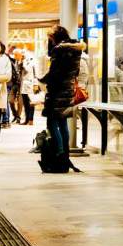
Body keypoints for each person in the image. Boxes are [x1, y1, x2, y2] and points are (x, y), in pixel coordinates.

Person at [39, 26, 86, 170]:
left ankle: (60, 154)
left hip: (57, 91)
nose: (50, 41)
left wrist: (42, 79)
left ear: (56, 37)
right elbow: (74, 71)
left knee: (52, 122)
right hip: (68, 90)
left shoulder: (59, 50)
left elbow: (54, 72)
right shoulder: (76, 49)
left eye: (51, 38)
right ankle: (65, 153)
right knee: (63, 122)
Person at [18, 51, 39, 125]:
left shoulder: (31, 62)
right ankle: (26, 119)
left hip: (30, 84)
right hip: (24, 85)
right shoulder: (23, 62)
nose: (22, 56)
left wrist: (23, 62)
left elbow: (27, 70)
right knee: (25, 104)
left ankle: (31, 120)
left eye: (23, 55)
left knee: (31, 103)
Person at [8, 49, 24, 124]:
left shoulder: (24, 62)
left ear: (20, 55)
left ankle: (18, 117)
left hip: (22, 84)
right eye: (14, 55)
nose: (15, 56)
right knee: (10, 100)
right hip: (14, 83)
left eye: (16, 55)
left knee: (20, 102)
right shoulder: (15, 61)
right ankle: (15, 115)